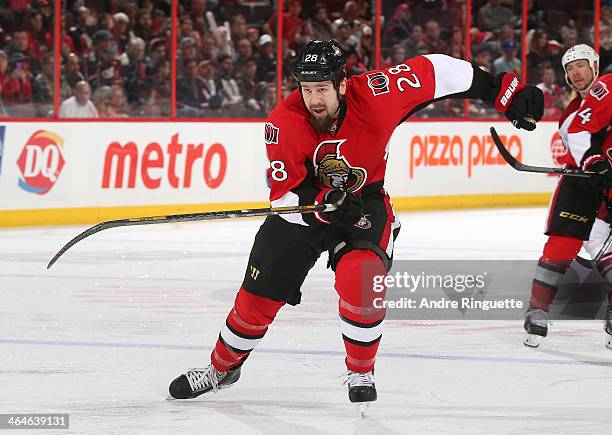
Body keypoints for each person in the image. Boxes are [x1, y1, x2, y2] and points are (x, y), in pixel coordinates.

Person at [169, 39, 543, 407]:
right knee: (256, 300)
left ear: (342, 84)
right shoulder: (283, 122)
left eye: (322, 89)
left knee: (362, 283)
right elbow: (285, 197)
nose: (313, 99)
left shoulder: (380, 93)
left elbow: (440, 70)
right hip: (304, 210)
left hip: (364, 201)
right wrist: (323, 203)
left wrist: (502, 91)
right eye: (306, 88)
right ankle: (220, 369)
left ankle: (360, 370)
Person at [523, 44, 612, 348]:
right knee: (565, 242)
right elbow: (579, 138)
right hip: (583, 182)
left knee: (603, 245)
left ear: (595, 66)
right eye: (569, 68)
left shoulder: (608, 87)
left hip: (605, 177)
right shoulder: (569, 113)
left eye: (581, 66)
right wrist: (593, 162)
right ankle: (537, 309)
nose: (575, 73)